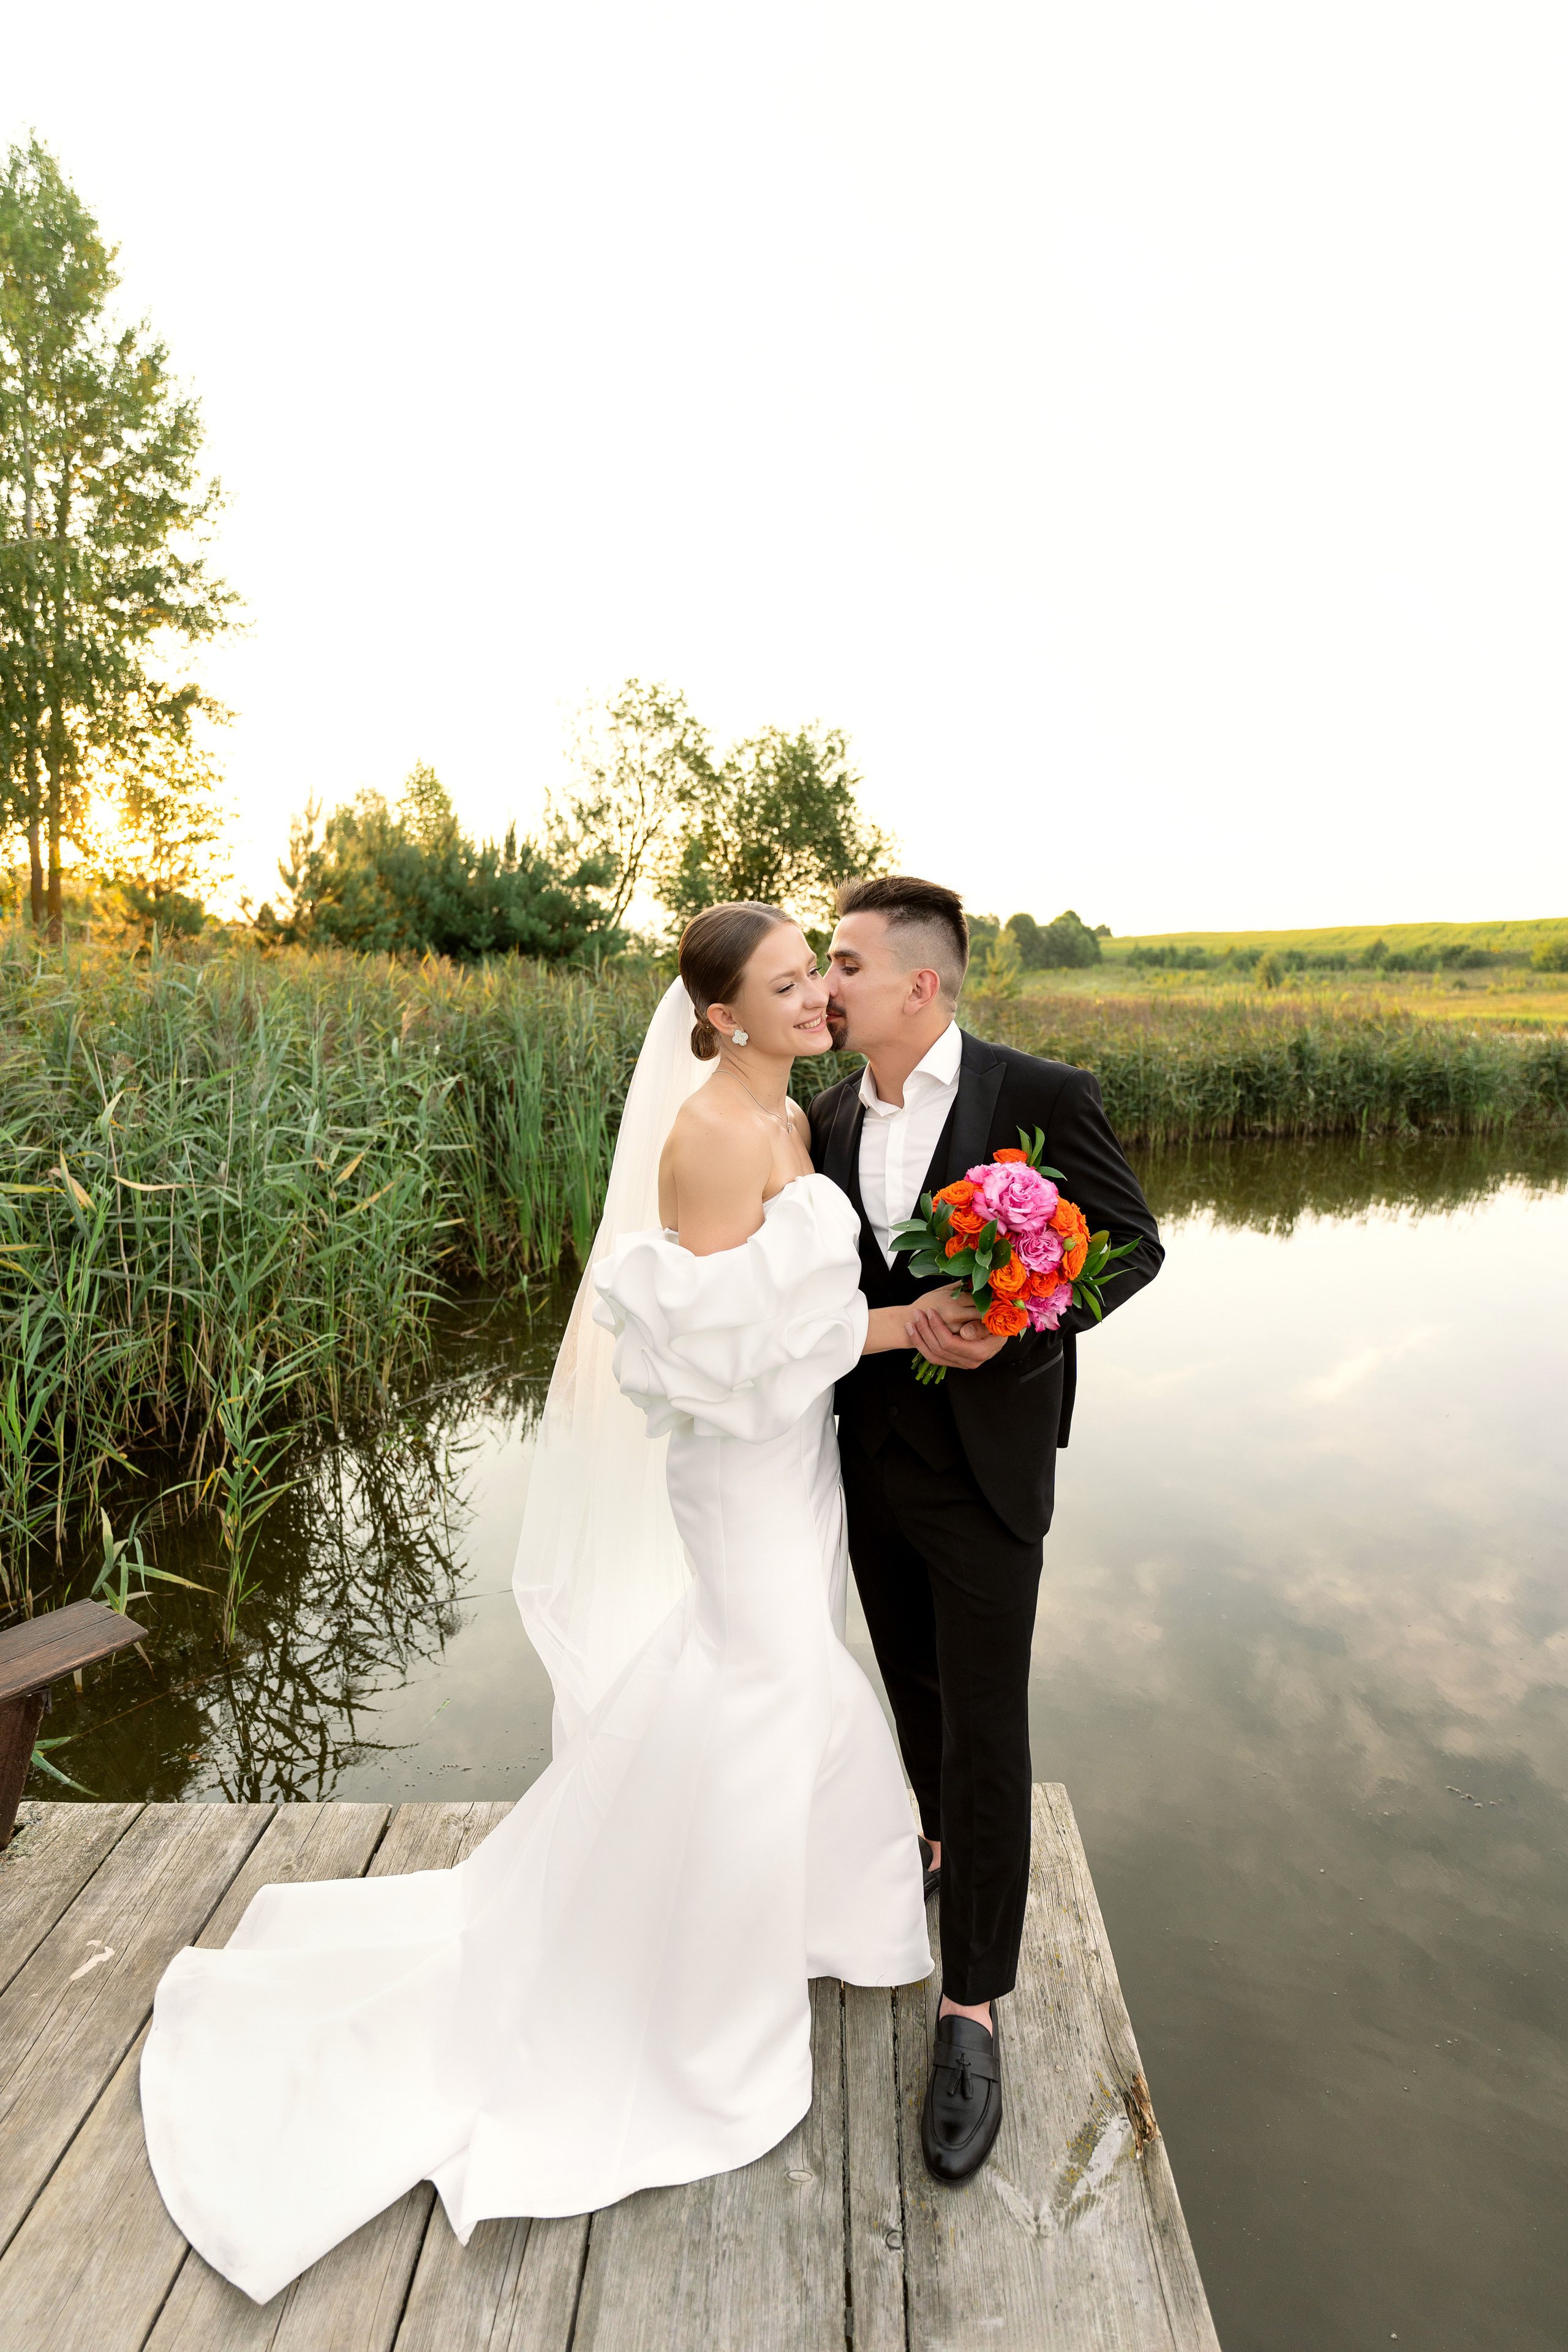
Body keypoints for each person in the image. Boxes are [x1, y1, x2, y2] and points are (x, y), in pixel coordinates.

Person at [138, 902, 976, 2306]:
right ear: (718, 1017)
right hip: (744, 1470)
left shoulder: (795, 1117)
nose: (816, 1001)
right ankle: (706, 2024)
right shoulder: (710, 1138)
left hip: (800, 1469)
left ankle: (817, 1918)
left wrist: (906, 1316)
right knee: (763, 1689)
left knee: (787, 1686)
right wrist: (896, 1329)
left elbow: (792, 1319)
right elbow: (722, 1362)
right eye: (786, 986)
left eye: (815, 981)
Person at [808, 875, 1163, 2187]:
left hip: (987, 1468)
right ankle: (944, 1848)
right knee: (910, 1691)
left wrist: (1022, 1312)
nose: (822, 983)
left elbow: (1128, 1246)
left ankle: (970, 2008)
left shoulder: (1039, 1095)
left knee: (987, 1720)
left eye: (840, 962)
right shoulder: (824, 1112)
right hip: (862, 1456)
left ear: (920, 983)